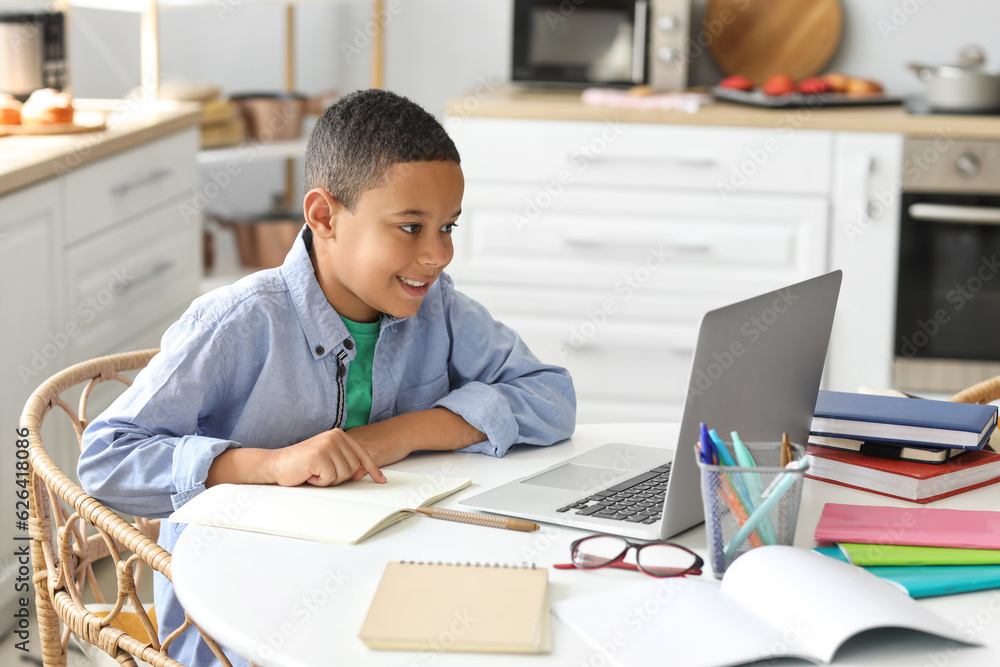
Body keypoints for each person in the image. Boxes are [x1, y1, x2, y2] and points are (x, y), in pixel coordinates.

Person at [78, 88, 576, 666]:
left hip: (373, 584)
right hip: (234, 621)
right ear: (324, 216)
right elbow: (106, 458)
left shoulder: (438, 308)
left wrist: (403, 433)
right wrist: (271, 465)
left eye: (449, 226)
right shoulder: (240, 322)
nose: (440, 255)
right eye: (412, 227)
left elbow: (551, 395)